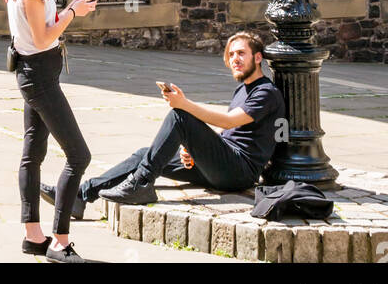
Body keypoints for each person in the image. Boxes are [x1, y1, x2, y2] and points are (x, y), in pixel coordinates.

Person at [50, 30, 284, 215]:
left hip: (238, 172)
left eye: (241, 53)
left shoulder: (266, 92)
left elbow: (229, 120)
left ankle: (141, 184)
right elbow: (229, 133)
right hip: (223, 164)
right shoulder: (243, 89)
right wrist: (194, 151)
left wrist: (184, 104)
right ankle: (79, 195)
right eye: (231, 54)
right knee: (147, 153)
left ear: (258, 57)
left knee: (179, 116)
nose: (235, 59)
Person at [6, 0, 98, 263]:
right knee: (79, 155)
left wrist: (71, 9)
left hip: (37, 73)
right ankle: (60, 241)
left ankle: (33, 236)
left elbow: (39, 31)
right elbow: (44, 36)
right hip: (39, 78)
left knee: (34, 153)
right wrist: (73, 12)